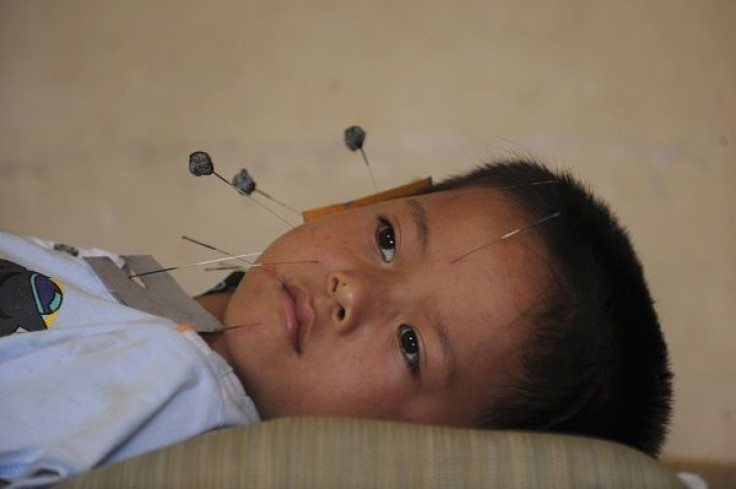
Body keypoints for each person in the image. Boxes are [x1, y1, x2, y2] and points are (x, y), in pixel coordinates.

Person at [0, 159, 672, 487]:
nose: (352, 289)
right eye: (386, 238)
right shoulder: (146, 294)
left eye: (412, 345)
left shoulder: (176, 394)